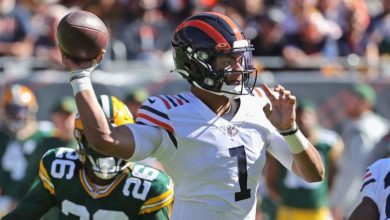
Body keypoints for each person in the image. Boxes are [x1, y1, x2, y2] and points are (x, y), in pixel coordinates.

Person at [61, 11, 324, 219]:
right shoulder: (170, 114)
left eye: (239, 58)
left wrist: (290, 130)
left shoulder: (257, 105)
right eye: (226, 60)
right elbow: (105, 139)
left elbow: (314, 174)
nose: (238, 68)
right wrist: (81, 77)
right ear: (195, 64)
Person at [3, 94, 173, 220]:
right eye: (96, 140)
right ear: (80, 137)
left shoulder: (148, 186)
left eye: (114, 139)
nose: (105, 148)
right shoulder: (60, 168)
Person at [266, 100, 344, 220]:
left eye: (308, 115)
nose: (303, 119)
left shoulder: (328, 141)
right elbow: (272, 170)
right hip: (289, 208)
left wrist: (329, 196)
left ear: (316, 117)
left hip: (317, 210)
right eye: (300, 115)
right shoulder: (281, 140)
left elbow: (335, 172)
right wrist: (274, 192)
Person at [330, 83, 389, 219]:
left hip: (360, 203)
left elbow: (355, 172)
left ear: (364, 102)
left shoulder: (361, 131)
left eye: (350, 99)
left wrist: (340, 204)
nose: (345, 103)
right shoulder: (379, 124)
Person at [0, 84, 53, 217]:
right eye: (12, 110)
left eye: (21, 110)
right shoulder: (3, 137)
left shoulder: (46, 136)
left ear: (31, 110)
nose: (18, 115)